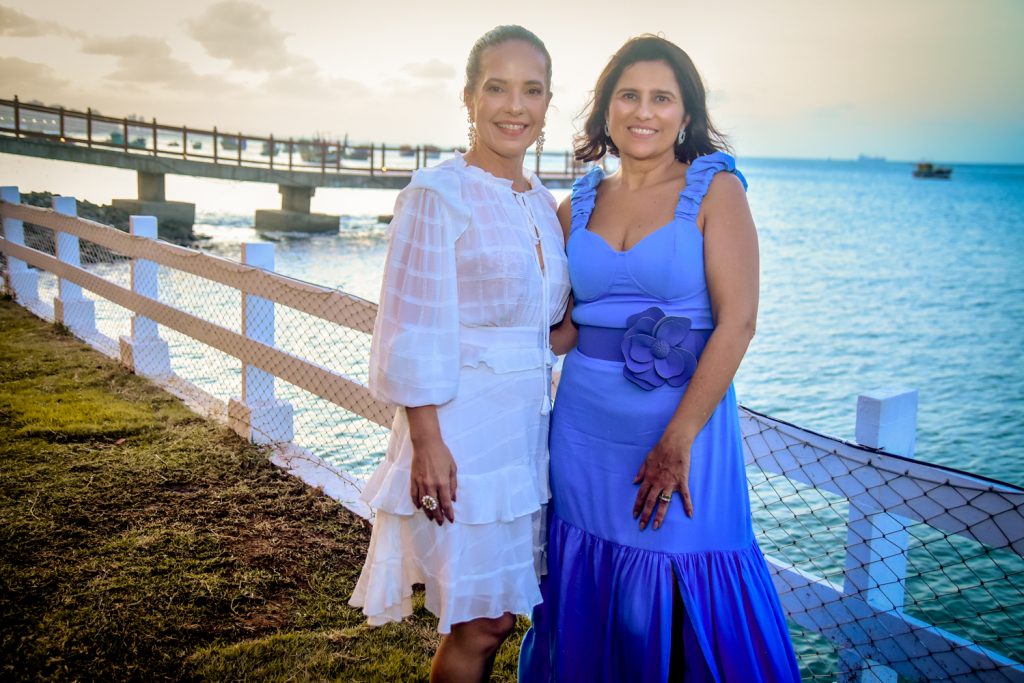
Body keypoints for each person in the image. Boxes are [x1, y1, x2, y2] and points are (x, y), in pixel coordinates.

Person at [519, 36, 801, 682]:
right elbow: (562, 329)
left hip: (682, 431)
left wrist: (678, 438)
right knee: (596, 603)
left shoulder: (715, 190)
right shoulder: (577, 203)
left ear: (686, 113)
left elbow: (739, 323)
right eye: (629, 95)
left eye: (662, 97)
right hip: (585, 433)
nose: (643, 111)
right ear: (607, 110)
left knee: (674, 611)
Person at [348, 25, 570, 683]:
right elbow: (410, 326)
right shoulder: (436, 193)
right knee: (482, 622)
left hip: (524, 435)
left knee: (497, 616)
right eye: (497, 87)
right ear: (469, 98)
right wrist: (426, 441)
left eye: (531, 90)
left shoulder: (541, 205)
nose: (514, 106)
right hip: (460, 431)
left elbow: (544, 329)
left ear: (548, 103)